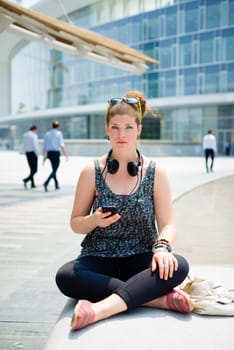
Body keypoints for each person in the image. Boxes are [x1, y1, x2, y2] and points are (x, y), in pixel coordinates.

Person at [55, 91, 192, 332]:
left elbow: (168, 223)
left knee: (178, 265)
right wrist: (94, 220)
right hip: (99, 255)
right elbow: (76, 223)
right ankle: (154, 298)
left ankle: (98, 310)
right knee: (65, 276)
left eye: (128, 127)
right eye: (115, 127)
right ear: (106, 129)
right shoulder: (91, 171)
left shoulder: (155, 173)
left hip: (140, 255)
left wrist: (161, 248)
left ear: (138, 129)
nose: (121, 134)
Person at [42, 120, 68, 191]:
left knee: (54, 169)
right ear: (58, 126)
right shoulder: (59, 134)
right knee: (54, 170)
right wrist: (66, 155)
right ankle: (46, 182)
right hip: (56, 153)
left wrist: (44, 156)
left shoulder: (47, 134)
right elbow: (61, 145)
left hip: (49, 153)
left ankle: (56, 185)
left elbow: (44, 146)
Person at [22, 125, 39, 189]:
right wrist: (37, 154)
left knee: (31, 169)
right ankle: (26, 180)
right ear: (34, 129)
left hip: (27, 153)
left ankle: (32, 184)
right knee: (35, 170)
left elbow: (24, 144)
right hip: (33, 153)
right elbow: (35, 145)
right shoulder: (33, 135)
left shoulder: (25, 135)